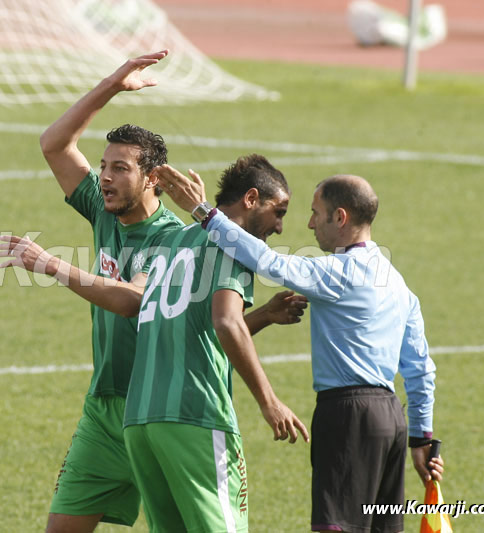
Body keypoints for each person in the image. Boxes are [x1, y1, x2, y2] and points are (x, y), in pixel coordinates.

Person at [29, 51, 308, 532]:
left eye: (120, 168)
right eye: (104, 166)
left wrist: (50, 264)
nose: (106, 177)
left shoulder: (172, 235)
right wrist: (114, 83)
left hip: (153, 403)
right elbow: (54, 144)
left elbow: (145, 303)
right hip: (115, 407)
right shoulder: (108, 208)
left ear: (152, 178)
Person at [156, 166, 444, 533]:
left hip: (347, 416)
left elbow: (267, 262)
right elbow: (421, 370)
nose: (309, 225)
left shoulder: (340, 273)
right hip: (391, 423)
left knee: (335, 526)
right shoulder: (400, 286)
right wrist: (421, 438)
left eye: (315, 213)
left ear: (340, 217)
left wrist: (204, 213)